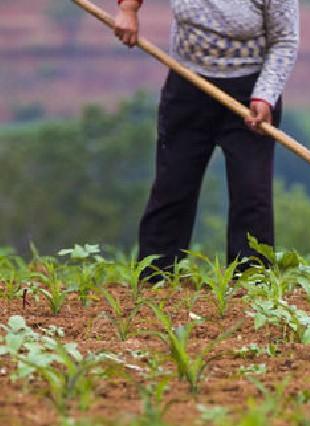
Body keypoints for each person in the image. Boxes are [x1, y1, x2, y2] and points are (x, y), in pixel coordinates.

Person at [113, 0, 300, 279]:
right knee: (172, 186)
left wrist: (265, 96)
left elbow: (285, 40)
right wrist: (128, 8)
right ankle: (155, 280)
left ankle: (252, 285)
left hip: (249, 95)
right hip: (188, 84)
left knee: (251, 194)